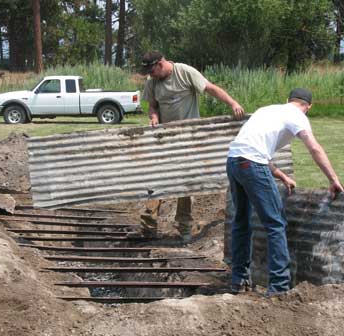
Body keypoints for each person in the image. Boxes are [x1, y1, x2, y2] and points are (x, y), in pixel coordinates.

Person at [226, 88, 343, 297]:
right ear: (309, 107)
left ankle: (238, 280)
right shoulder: (298, 115)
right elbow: (314, 148)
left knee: (241, 222)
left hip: (233, 161)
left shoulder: (267, 110)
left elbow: (250, 146)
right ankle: (279, 287)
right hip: (251, 163)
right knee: (275, 223)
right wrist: (334, 179)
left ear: (287, 100)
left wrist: (281, 175)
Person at [140, 51, 245, 242]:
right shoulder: (152, 81)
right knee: (156, 179)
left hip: (189, 139)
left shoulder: (185, 72)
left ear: (161, 63)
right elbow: (152, 105)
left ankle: (184, 227)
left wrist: (233, 103)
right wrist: (153, 116)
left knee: (186, 183)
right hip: (166, 139)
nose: (150, 75)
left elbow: (211, 88)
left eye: (152, 70)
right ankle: (148, 227)